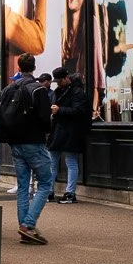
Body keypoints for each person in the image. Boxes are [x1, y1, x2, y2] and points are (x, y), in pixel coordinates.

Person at [0, 55, 56, 244]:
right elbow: (45, 118)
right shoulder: (38, 89)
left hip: (15, 142)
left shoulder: (8, 89)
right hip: (34, 141)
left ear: (18, 66)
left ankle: (25, 225)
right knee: (46, 182)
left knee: (23, 186)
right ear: (34, 67)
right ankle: (28, 225)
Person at [49, 67, 91, 203]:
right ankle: (49, 191)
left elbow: (79, 112)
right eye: (57, 81)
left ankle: (70, 193)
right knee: (54, 162)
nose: (58, 83)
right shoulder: (62, 91)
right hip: (60, 130)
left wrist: (59, 110)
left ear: (67, 78)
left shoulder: (77, 92)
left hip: (70, 131)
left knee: (69, 162)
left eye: (60, 81)